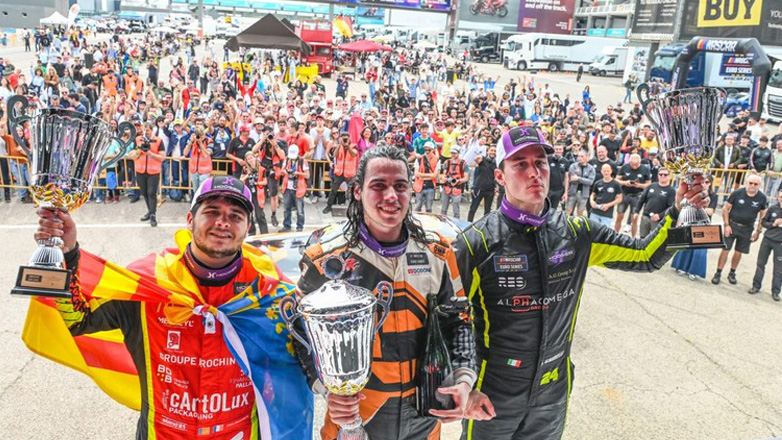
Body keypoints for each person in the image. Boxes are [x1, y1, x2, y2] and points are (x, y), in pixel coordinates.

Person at [455, 126, 709, 440]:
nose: (534, 172)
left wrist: (678, 209)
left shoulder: (577, 233)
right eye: (520, 164)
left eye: (540, 163)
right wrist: (461, 383)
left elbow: (646, 256)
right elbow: (447, 320)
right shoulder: (477, 242)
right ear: (500, 176)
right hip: (493, 391)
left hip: (552, 391)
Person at [34, 175, 308, 438]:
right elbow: (79, 319)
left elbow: (311, 360)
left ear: (247, 228)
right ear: (189, 220)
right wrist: (68, 253)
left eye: (235, 216)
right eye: (212, 212)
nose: (223, 222)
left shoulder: (271, 293)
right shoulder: (148, 282)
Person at [295, 146, 492, 440]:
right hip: (357, 417)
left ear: (411, 190)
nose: (391, 196)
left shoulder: (438, 252)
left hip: (425, 416)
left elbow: (460, 319)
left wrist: (463, 379)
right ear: (357, 191)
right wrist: (326, 388)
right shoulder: (326, 260)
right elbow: (299, 331)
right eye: (379, 185)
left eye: (400, 186)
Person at [712, 174, 768, 285]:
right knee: (725, 249)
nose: (752, 186)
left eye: (755, 184)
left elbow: (763, 216)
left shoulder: (762, 198)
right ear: (746, 182)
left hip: (747, 229)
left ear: (759, 185)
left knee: (738, 252)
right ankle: (718, 272)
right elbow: (725, 209)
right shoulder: (737, 193)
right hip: (732, 226)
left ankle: (732, 273)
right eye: (750, 183)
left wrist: (758, 231)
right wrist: (726, 225)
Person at [672, 178, 718, 281]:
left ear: (710, 184)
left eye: (706, 182)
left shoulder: (713, 196)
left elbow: (710, 211)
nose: (704, 184)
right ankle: (682, 267)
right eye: (702, 182)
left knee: (699, 251)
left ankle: (694, 271)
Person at [748, 188, 782, 301]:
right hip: (767, 240)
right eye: (780, 197)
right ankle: (756, 286)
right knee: (760, 264)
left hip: (780, 244)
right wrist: (773, 224)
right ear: (778, 197)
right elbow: (763, 222)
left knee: (778, 269)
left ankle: (776, 291)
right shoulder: (773, 208)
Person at [128, 123, 164, 227]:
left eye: (147, 130)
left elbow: (162, 157)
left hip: (153, 172)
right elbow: (132, 156)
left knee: (151, 193)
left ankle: (153, 215)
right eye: (144, 130)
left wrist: (149, 153)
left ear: (152, 130)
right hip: (140, 171)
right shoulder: (137, 140)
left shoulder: (158, 140)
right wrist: (139, 149)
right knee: (144, 193)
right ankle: (150, 211)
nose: (145, 132)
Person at [615, 154, 652, 237]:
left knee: (634, 218)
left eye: (636, 164)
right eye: (633, 164)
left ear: (640, 162)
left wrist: (639, 185)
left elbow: (649, 184)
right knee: (619, 215)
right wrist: (625, 183)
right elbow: (617, 179)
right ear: (630, 162)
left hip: (637, 195)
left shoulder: (645, 169)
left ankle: (633, 238)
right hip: (625, 193)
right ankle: (615, 234)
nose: (634, 166)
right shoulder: (625, 167)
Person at [323, 132, 358, 214]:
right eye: (343, 138)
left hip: (349, 173)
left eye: (346, 138)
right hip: (339, 173)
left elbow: (354, 154)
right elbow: (334, 155)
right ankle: (329, 206)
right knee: (333, 190)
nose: (345, 139)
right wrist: (339, 145)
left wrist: (348, 147)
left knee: (352, 191)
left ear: (349, 138)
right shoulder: (339, 146)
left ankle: (353, 208)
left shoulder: (353, 146)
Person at [636, 168, 676, 237]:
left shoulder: (671, 190)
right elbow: (641, 199)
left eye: (665, 175)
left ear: (669, 176)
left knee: (656, 239)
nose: (663, 176)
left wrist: (660, 215)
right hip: (646, 216)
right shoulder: (651, 186)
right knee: (642, 237)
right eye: (661, 174)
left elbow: (671, 207)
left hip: (659, 220)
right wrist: (636, 211)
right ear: (658, 175)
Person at [280, 144, 309, 232]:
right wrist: (285, 172)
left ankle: (299, 227)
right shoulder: (286, 159)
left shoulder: (302, 161)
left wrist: (297, 173)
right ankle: (286, 226)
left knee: (300, 210)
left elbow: (307, 175)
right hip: (287, 188)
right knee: (286, 209)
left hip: (299, 189)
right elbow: (281, 171)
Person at [467, 145, 497, 222]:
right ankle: (468, 223)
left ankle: (485, 225)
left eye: (495, 151)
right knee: (473, 208)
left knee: (487, 211)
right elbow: (475, 159)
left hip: (490, 190)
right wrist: (481, 156)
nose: (493, 152)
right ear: (488, 151)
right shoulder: (483, 159)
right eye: (491, 150)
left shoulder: (496, 164)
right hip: (479, 188)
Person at [589, 163, 623, 227]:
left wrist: (608, 205)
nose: (606, 172)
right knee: (593, 230)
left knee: (604, 231)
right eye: (604, 171)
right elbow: (593, 194)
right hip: (595, 212)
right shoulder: (597, 183)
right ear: (601, 171)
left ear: (611, 171)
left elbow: (620, 198)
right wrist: (592, 201)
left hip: (607, 213)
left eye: (608, 171)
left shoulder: (616, 184)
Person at [440, 145, 468, 218]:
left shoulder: (464, 163)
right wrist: (445, 178)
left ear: (458, 153)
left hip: (457, 189)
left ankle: (456, 223)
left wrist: (457, 180)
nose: (453, 155)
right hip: (446, 188)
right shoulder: (447, 162)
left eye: (454, 153)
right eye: (452, 153)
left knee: (456, 211)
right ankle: (442, 222)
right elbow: (444, 174)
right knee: (443, 209)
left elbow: (466, 178)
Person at [413, 140, 439, 213]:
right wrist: (430, 175)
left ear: (432, 150)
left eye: (429, 150)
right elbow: (416, 173)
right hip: (419, 186)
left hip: (430, 186)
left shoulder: (437, 160)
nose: (427, 151)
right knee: (418, 206)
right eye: (425, 149)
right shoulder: (419, 159)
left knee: (429, 208)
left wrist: (423, 176)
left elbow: (435, 175)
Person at [566, 150, 595, 216]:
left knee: (580, 212)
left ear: (587, 157)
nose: (579, 158)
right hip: (572, 192)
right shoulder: (573, 166)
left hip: (584, 194)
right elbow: (572, 179)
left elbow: (590, 182)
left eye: (582, 156)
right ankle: (566, 222)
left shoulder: (591, 168)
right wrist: (585, 180)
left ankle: (578, 223)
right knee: (568, 211)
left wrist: (578, 178)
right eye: (578, 156)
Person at [547, 141, 569, 210]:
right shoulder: (548, 159)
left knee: (554, 209)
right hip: (548, 189)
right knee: (545, 208)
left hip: (558, 190)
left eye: (560, 149)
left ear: (562, 150)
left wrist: (565, 192)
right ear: (554, 149)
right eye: (556, 149)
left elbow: (566, 178)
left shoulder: (565, 161)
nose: (558, 151)